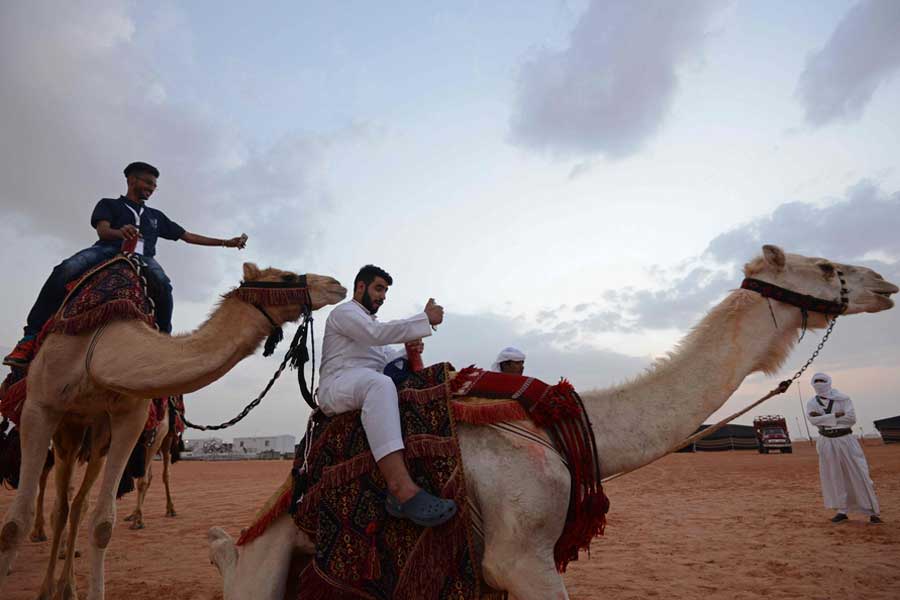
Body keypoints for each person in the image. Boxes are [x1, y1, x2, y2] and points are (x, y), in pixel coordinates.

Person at [3, 161, 247, 367]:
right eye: (148, 183)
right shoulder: (110, 204)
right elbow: (103, 231)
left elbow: (188, 236)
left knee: (164, 286)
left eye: (154, 185)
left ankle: (163, 342)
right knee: (65, 269)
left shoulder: (155, 217)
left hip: (144, 259)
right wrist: (120, 232)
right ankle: (30, 337)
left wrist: (226, 242)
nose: (152, 189)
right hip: (107, 250)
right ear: (132, 180)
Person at [317, 264, 457, 527]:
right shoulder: (345, 312)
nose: (383, 296)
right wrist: (423, 319)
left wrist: (409, 349)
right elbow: (377, 336)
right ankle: (401, 488)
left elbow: (386, 357)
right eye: (378, 288)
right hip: (337, 385)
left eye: (385, 291)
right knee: (380, 385)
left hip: (361, 381)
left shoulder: (369, 323)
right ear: (361, 287)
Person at [806, 372, 882, 524]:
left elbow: (851, 418)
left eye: (822, 380)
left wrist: (824, 418)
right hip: (826, 442)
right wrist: (836, 416)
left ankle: (871, 511)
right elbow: (813, 421)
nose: (819, 383)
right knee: (834, 476)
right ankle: (842, 510)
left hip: (845, 440)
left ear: (828, 382)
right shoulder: (811, 403)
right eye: (816, 381)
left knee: (859, 473)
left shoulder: (844, 399)